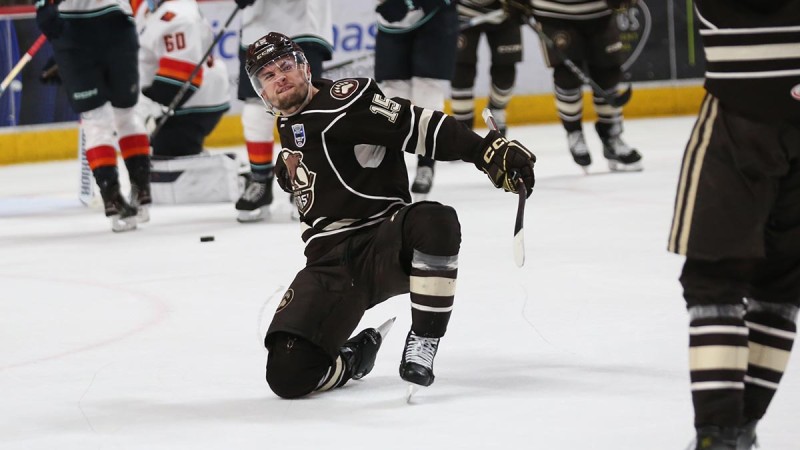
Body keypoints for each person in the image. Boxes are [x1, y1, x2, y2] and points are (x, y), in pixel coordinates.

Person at [245, 32, 535, 398]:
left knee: (435, 220)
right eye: (268, 75)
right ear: (262, 91)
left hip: (383, 244)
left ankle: (423, 340)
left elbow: (418, 126)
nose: (280, 78)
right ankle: (354, 358)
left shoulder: (347, 102)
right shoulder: (288, 120)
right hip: (328, 264)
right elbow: (317, 146)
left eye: (286, 66)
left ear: (305, 67)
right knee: (288, 375)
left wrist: (484, 152)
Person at [667, 1, 800, 448]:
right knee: (781, 286)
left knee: (714, 279)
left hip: (740, 113)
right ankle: (739, 431)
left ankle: (719, 435)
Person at [35, 0, 151, 231]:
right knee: (114, 116)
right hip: (97, 30)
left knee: (109, 117)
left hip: (99, 27)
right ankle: (127, 195)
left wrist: (43, 7)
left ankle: (125, 195)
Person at [232, 0, 333, 222]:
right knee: (255, 110)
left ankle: (306, 181)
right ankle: (260, 179)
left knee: (304, 103)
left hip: (302, 22)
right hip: (257, 25)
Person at [517, 0, 642, 171]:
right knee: (567, 76)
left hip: (600, 12)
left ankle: (612, 136)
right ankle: (574, 132)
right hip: (552, 13)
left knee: (608, 74)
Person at [374, 0, 460, 198]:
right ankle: (390, 165)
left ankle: (426, 164)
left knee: (427, 89)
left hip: (436, 15)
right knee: (393, 94)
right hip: (393, 23)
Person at [134, 0, 230, 159]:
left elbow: (176, 83)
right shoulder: (154, 7)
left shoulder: (178, 16)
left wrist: (145, 113)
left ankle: (208, 167)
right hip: (186, 100)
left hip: (191, 104)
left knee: (167, 159)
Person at [451, 0, 523, 137]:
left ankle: (496, 109)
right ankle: (463, 129)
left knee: (506, 76)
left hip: (503, 11)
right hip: (462, 11)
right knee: (461, 74)